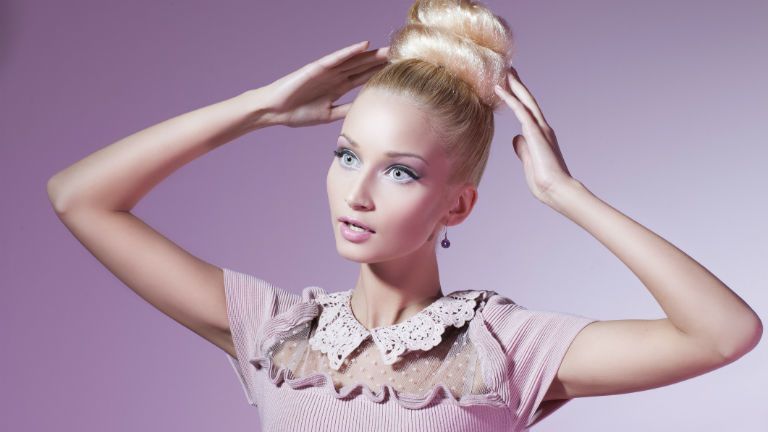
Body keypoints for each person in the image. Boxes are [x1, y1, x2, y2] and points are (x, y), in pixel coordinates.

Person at [46, 1, 761, 431]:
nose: (357, 193)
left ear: (458, 204)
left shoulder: (504, 347)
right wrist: (259, 109)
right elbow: (79, 196)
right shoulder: (274, 330)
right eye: (347, 155)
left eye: (399, 171)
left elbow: (724, 333)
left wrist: (564, 193)